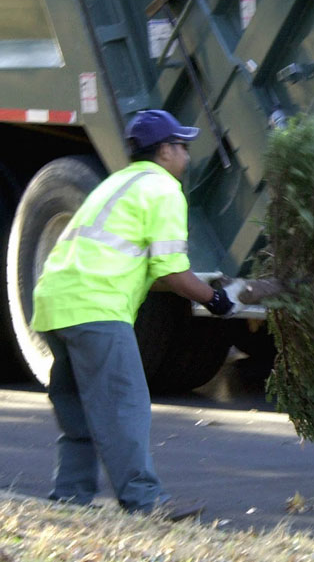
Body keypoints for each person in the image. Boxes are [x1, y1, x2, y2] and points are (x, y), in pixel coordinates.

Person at [31, 109, 235, 519]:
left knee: (78, 410)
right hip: (96, 308)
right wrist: (214, 300)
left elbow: (144, 265)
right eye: (182, 146)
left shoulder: (116, 183)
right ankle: (145, 502)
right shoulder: (163, 190)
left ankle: (70, 498)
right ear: (164, 152)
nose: (187, 156)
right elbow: (172, 270)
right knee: (123, 407)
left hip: (54, 303)